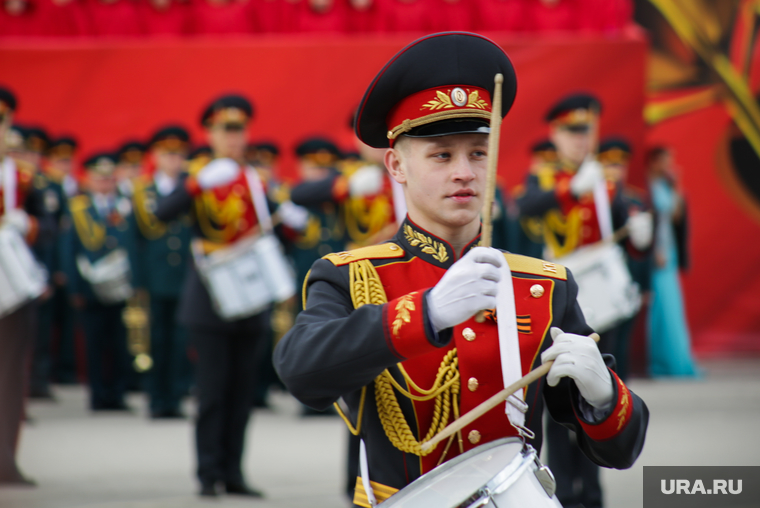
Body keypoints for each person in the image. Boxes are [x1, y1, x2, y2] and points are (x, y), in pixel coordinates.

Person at [274, 33, 648, 507]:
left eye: (477, 152)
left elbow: (620, 449)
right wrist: (425, 314)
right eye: (441, 155)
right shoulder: (349, 276)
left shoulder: (542, 286)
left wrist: (602, 398)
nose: (465, 172)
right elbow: (300, 372)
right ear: (396, 165)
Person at [516, 94, 652, 508]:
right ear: (555, 135)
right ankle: (563, 491)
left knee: (599, 391)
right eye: (571, 132)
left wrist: (641, 234)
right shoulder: (541, 180)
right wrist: (569, 190)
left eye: (585, 132)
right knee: (558, 398)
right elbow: (522, 209)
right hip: (557, 301)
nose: (580, 141)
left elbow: (626, 233)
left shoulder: (605, 182)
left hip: (602, 301)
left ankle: (592, 492)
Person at [155, 94, 272, 498]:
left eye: (239, 130)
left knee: (241, 393)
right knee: (212, 391)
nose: (234, 138)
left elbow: (272, 224)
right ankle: (207, 473)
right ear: (210, 134)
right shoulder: (199, 174)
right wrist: (195, 183)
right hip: (210, 298)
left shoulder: (255, 178)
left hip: (252, 294)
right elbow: (162, 213)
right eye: (226, 130)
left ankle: (234, 472)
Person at [0, 86, 53, 486]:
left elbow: (50, 228)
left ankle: (5, 459)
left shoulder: (22, 178)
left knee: (10, 373)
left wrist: (27, 225)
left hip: (11, 287)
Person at [61, 152, 135, 411]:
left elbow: (133, 245)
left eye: (110, 179)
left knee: (118, 341)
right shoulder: (79, 208)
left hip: (120, 285)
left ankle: (117, 394)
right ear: (89, 179)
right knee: (94, 342)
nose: (105, 184)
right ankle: (97, 394)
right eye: (100, 179)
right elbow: (69, 250)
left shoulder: (125, 206)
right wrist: (74, 288)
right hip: (90, 287)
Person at [131, 125, 194, 418]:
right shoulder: (142, 190)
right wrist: (138, 279)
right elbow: (134, 239)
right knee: (156, 338)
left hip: (185, 274)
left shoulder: (191, 186)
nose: (173, 160)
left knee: (181, 339)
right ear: (155, 155)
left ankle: (175, 397)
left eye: (178, 154)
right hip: (155, 277)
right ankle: (156, 398)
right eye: (167, 154)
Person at [598, 137, 653, 380]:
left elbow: (643, 249)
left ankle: (623, 392)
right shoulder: (594, 200)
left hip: (627, 277)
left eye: (619, 165)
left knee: (622, 339)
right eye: (609, 165)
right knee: (602, 340)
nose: (615, 171)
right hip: (599, 278)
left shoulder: (635, 200)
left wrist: (645, 285)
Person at [647, 146, 698, 377]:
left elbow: (675, 216)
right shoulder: (647, 186)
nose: (667, 166)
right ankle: (661, 360)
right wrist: (654, 249)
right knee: (660, 309)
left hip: (670, 251)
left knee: (673, 308)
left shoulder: (665, 186)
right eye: (663, 161)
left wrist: (677, 187)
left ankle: (677, 359)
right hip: (658, 252)